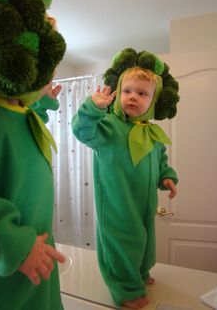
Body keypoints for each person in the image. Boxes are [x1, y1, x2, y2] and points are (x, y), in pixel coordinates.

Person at [72, 48, 180, 309]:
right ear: (118, 93)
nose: (133, 97)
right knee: (123, 244)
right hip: (117, 202)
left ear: (152, 102)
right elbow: (82, 131)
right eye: (127, 91)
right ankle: (125, 289)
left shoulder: (152, 133)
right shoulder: (108, 126)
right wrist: (91, 109)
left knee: (145, 241)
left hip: (144, 203)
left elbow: (160, 159)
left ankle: (140, 274)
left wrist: (166, 177)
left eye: (142, 94)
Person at [0, 0, 66, 310]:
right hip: (10, 266)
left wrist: (45, 101)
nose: (49, 74)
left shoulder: (20, 112)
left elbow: (26, 116)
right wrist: (16, 245)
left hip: (36, 262)